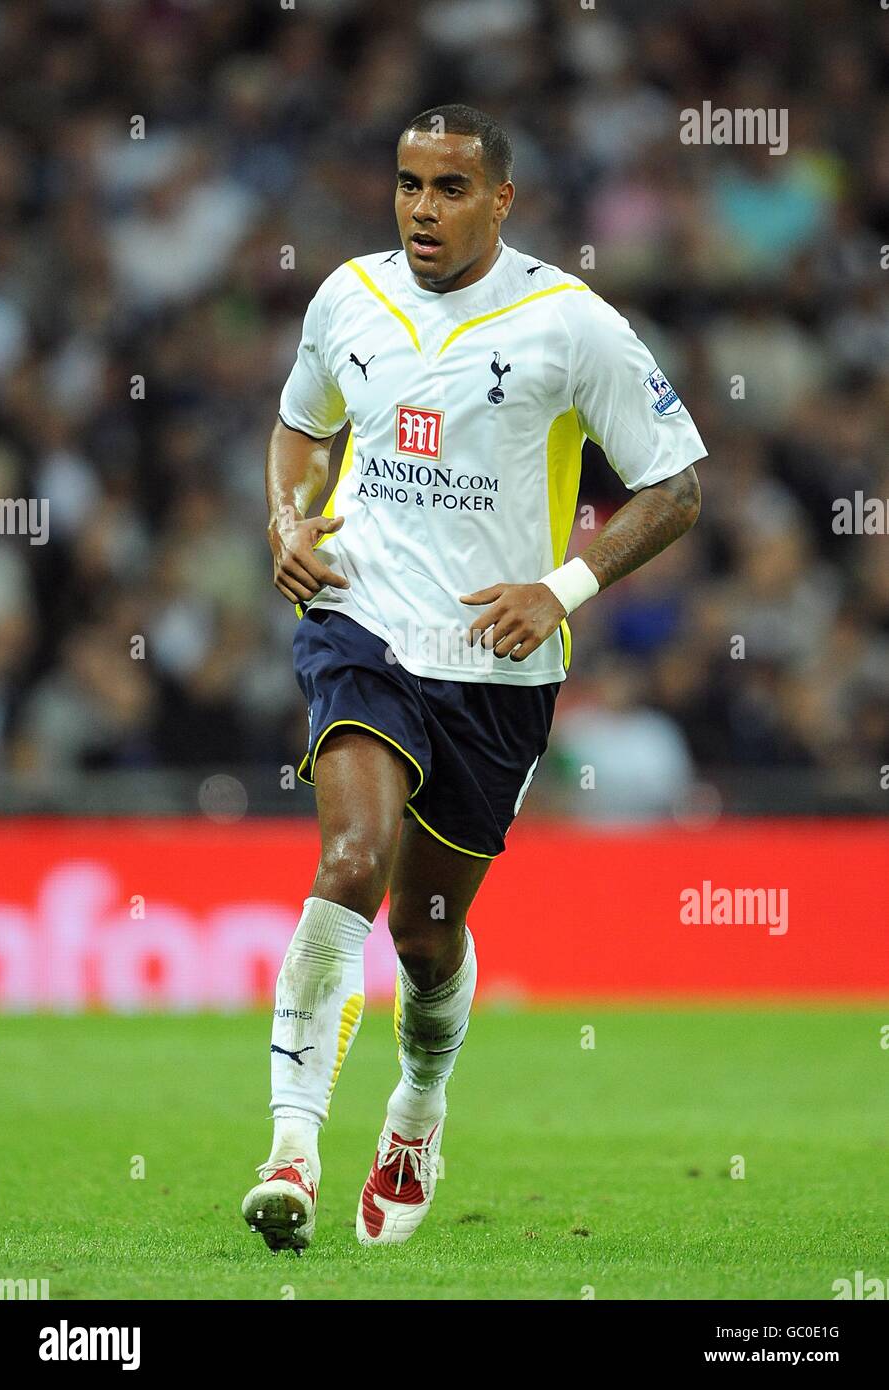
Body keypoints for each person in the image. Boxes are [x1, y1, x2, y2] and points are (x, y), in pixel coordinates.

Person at [241, 104, 705, 1252]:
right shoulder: (348, 294)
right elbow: (301, 425)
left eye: (449, 189)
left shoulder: (571, 323)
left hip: (497, 664)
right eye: (407, 184)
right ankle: (291, 1149)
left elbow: (678, 485)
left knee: (430, 933)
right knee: (349, 857)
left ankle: (417, 1109)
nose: (421, 209)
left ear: (503, 199)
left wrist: (563, 589)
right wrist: (286, 518)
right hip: (359, 620)